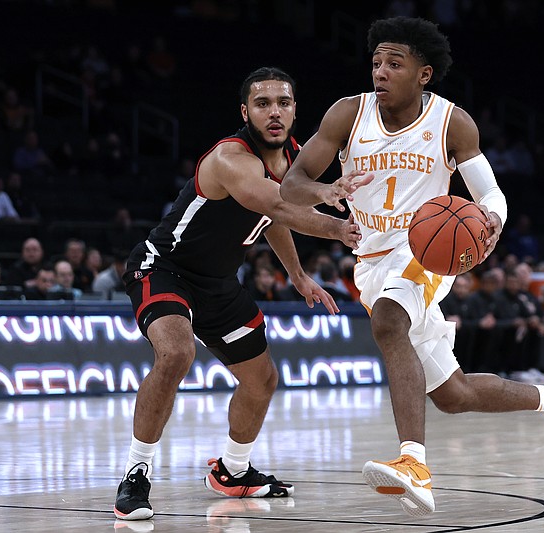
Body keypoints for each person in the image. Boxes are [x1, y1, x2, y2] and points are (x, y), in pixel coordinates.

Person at [280, 16, 544, 516]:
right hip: (370, 260)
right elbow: (292, 183)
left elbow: (491, 195)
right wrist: (324, 191)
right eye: (376, 62)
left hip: (429, 249)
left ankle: (415, 463)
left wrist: (490, 225)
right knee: (453, 395)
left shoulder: (452, 123)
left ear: (424, 74)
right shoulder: (347, 115)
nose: (382, 72)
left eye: (396, 63)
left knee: (388, 321)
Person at [113, 67, 361, 521]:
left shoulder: (295, 158)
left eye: (283, 103)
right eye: (263, 103)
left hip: (219, 283)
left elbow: (276, 220)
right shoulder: (231, 158)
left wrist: (299, 276)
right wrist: (338, 225)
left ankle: (233, 470)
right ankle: (136, 471)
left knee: (262, 380)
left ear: (294, 110)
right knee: (175, 354)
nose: (274, 112)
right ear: (246, 112)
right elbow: (277, 203)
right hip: (165, 267)